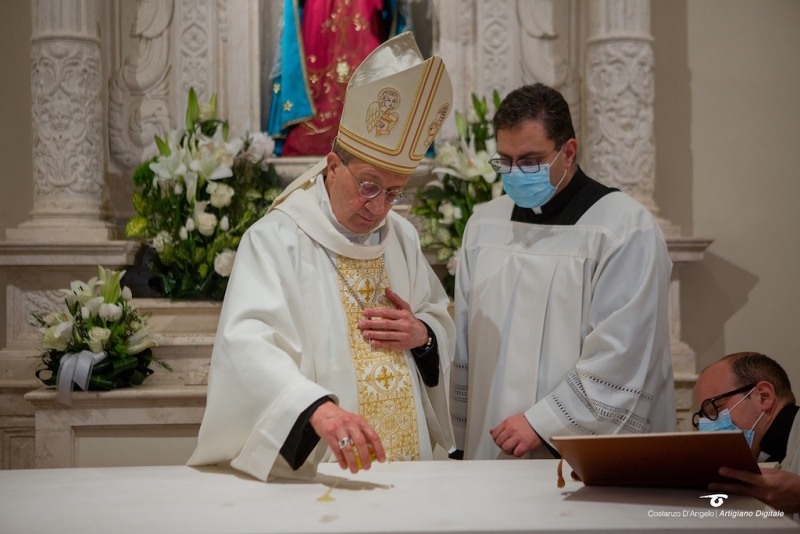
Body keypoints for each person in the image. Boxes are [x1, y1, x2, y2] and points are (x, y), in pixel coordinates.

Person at [188, 32, 456, 481]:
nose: (378, 206)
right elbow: (246, 346)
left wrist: (423, 334)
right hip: (324, 469)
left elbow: (437, 317)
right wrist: (317, 408)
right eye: (369, 185)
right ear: (333, 167)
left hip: (414, 466)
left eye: (394, 192)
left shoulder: (402, 237)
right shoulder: (276, 239)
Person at [450, 83, 675, 461]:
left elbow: (624, 351)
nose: (515, 172)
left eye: (530, 161)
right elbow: (465, 342)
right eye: (504, 161)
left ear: (568, 151)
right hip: (491, 446)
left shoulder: (622, 228)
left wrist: (544, 421)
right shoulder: (483, 226)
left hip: (573, 453)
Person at [695, 352, 800, 518]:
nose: (706, 427)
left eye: (716, 409)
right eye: (702, 418)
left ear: (763, 396)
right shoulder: (762, 451)